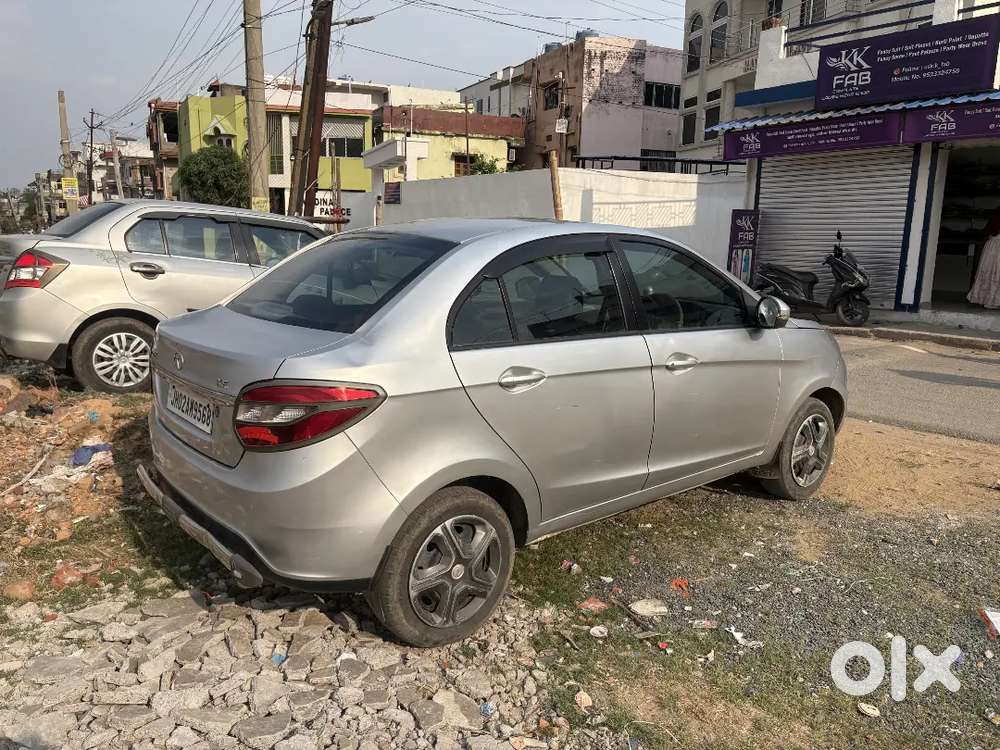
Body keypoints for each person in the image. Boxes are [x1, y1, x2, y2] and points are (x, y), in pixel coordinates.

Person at [968, 210, 1000, 309]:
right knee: (993, 272)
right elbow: (988, 232)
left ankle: (991, 300)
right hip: (994, 247)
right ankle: (990, 300)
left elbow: (987, 232)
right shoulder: (996, 217)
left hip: (992, 246)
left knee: (993, 273)